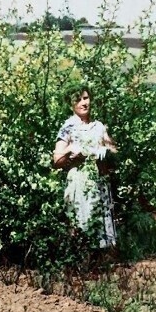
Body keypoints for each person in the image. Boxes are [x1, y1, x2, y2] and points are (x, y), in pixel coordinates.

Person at [53, 86, 117, 249]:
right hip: (79, 182)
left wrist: (106, 151)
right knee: (81, 227)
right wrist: (70, 152)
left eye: (86, 98)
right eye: (79, 99)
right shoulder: (68, 127)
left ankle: (101, 270)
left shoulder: (99, 126)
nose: (83, 102)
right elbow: (56, 160)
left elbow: (114, 151)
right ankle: (78, 269)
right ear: (71, 103)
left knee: (101, 232)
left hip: (98, 180)